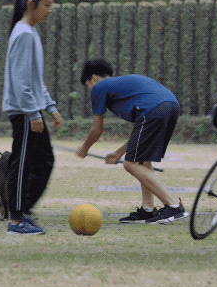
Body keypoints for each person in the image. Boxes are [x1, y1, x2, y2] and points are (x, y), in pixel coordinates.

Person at [76, 59, 186, 225]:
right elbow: (139, 135)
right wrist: (117, 153)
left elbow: (97, 129)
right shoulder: (123, 87)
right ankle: (148, 209)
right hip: (171, 106)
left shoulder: (99, 87)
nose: (91, 91)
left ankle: (173, 206)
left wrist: (84, 148)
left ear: (93, 79)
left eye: (88, 86)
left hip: (154, 109)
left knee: (131, 164)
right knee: (142, 160)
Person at [2, 0, 63, 235]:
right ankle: (16, 220)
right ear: (31, 5)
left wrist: (50, 107)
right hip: (24, 112)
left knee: (44, 161)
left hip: (33, 110)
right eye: (46, 5)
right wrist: (32, 112)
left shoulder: (31, 32)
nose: (50, 10)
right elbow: (20, 80)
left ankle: (23, 210)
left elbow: (35, 80)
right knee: (23, 163)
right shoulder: (24, 33)